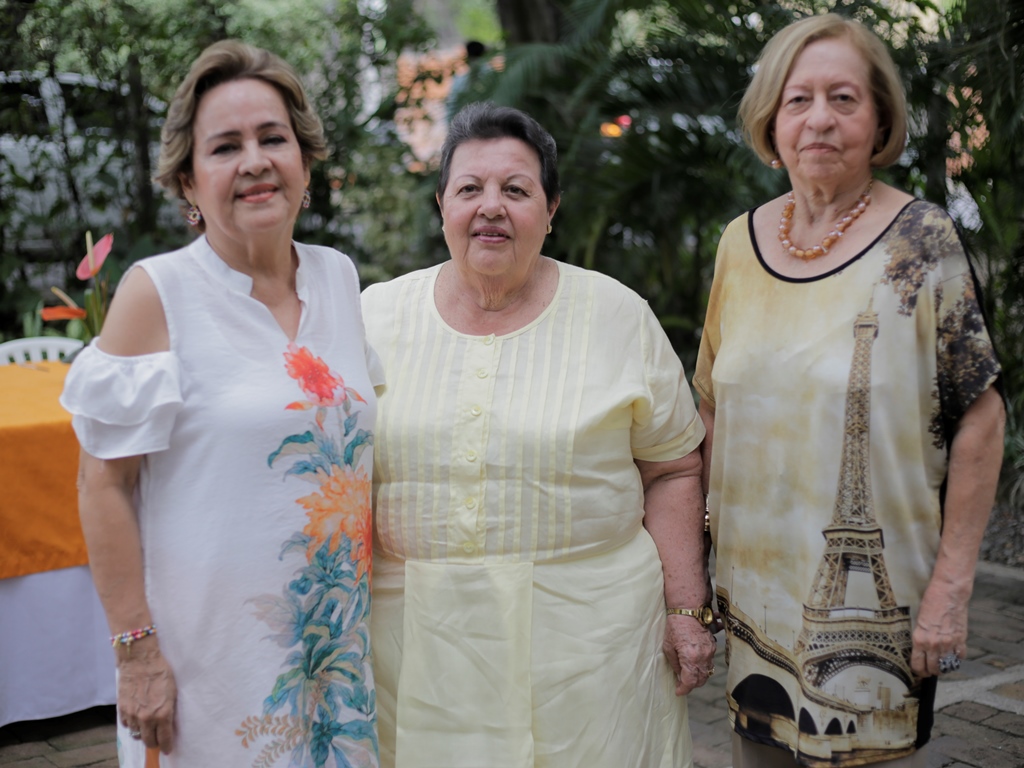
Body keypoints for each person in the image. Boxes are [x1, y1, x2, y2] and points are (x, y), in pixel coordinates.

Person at [361, 101, 717, 768]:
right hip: (407, 648)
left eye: (516, 190)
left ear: (551, 209)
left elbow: (673, 466)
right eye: (470, 189)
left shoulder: (617, 315)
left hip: (589, 649)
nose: (491, 207)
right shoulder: (373, 317)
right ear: (442, 205)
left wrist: (687, 608)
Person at [693, 13, 1005, 768]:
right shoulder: (740, 242)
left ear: (880, 119)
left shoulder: (921, 242)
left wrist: (952, 589)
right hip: (754, 602)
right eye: (798, 100)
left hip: (876, 607)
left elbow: (982, 418)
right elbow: (709, 403)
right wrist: (691, 573)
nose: (820, 119)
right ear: (772, 119)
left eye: (843, 98)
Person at [60, 40, 382, 767]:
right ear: (186, 180)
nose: (255, 162)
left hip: (334, 660)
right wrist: (135, 654)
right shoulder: (158, 293)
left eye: (273, 138)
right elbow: (102, 484)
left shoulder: (338, 277)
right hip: (205, 673)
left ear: (305, 157)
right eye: (225, 147)